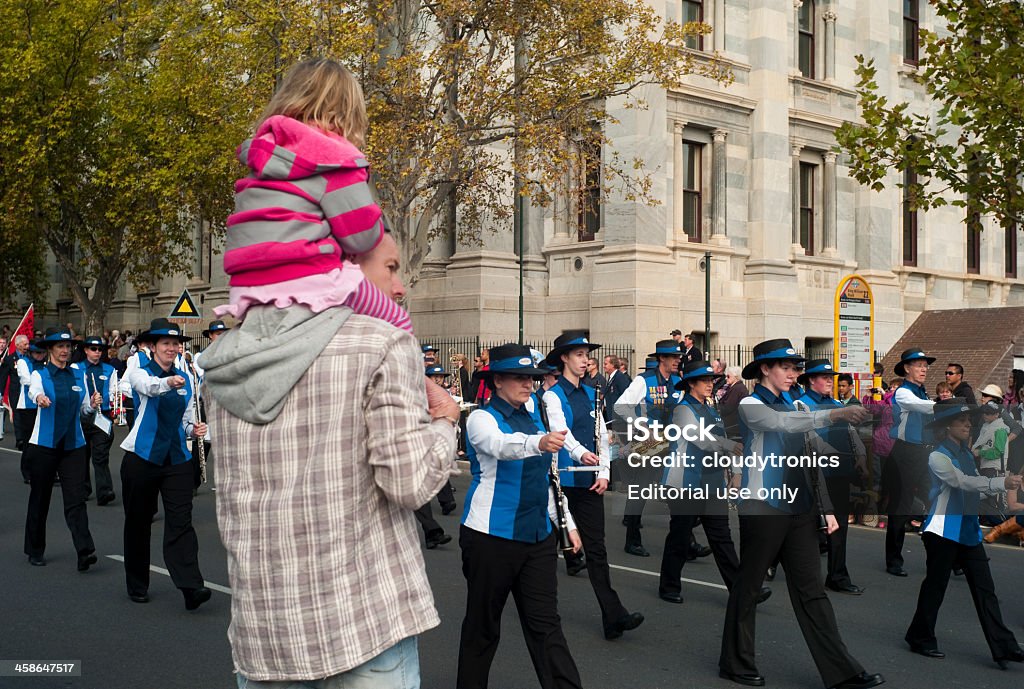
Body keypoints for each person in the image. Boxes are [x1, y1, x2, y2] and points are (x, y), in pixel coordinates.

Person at [719, 339, 883, 689]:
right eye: (786, 367)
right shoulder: (751, 404)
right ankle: (735, 662)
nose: (793, 374)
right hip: (762, 506)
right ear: (765, 369)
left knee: (813, 592)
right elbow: (786, 425)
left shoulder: (793, 402)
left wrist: (830, 499)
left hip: (799, 508)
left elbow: (811, 452)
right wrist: (836, 413)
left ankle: (842, 672)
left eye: (796, 368)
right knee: (748, 586)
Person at [215, 57, 412, 334]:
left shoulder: (266, 157)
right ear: (349, 113)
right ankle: (424, 380)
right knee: (397, 320)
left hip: (247, 286)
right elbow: (362, 237)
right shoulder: (336, 159)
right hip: (307, 279)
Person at [458, 342, 584, 689]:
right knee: (483, 628)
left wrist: (566, 523)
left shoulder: (535, 416)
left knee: (546, 626)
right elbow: (499, 445)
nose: (529, 384)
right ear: (497, 380)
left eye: (532, 378)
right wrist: (538, 444)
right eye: (519, 377)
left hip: (537, 537)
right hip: (490, 537)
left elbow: (548, 478)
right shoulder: (482, 418)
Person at [905, 399, 1024, 669]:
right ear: (947, 427)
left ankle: (1004, 646)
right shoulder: (937, 456)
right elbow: (961, 482)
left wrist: (1002, 490)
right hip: (943, 531)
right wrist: (999, 482)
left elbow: (975, 488)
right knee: (935, 587)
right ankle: (919, 636)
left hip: (967, 529)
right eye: (962, 421)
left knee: (986, 590)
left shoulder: (968, 454)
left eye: (970, 421)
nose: (969, 425)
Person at [542, 331, 645, 641]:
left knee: (597, 551)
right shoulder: (552, 395)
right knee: (545, 553)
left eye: (587, 354)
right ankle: (542, 616)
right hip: (560, 481)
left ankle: (613, 617)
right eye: (579, 354)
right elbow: (562, 432)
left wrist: (603, 470)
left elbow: (602, 434)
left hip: (587, 482)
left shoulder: (592, 393)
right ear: (563, 358)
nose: (586, 359)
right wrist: (579, 453)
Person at [659, 360, 771, 606]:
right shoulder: (682, 410)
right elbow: (702, 440)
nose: (710, 385)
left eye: (712, 381)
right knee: (680, 535)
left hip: (711, 482)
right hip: (685, 482)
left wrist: (736, 470)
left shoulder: (711, 409)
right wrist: (730, 446)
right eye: (705, 381)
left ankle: (741, 589)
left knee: (722, 538)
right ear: (690, 384)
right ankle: (668, 585)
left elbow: (721, 441)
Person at [120, 318, 210, 609]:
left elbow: (184, 420)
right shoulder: (138, 370)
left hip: (177, 460)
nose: (172, 348)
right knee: (138, 523)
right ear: (153, 346)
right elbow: (149, 388)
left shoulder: (188, 378)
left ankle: (191, 587)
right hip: (142, 457)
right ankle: (137, 583)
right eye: (166, 344)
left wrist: (191, 430)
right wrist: (169, 382)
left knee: (181, 523)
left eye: (176, 344)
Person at [23, 327, 102, 570]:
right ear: (50, 349)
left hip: (74, 445)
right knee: (40, 497)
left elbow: (84, 410)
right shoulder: (41, 374)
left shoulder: (79, 375)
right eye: (60, 346)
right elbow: (33, 391)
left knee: (76, 499)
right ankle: (35, 549)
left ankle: (85, 551)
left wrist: (92, 405)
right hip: (44, 445)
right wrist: (39, 399)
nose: (65, 351)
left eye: (68, 347)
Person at [796, 360, 867, 595]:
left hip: (837, 473)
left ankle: (837, 576)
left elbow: (849, 431)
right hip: (811, 474)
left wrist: (859, 455)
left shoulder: (836, 403)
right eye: (823, 377)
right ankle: (773, 562)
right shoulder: (800, 405)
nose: (829, 380)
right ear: (809, 381)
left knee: (839, 528)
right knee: (800, 525)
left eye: (831, 377)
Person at [614, 339, 684, 556]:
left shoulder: (677, 381)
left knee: (678, 489)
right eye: (673, 357)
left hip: (671, 440)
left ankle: (686, 542)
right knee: (641, 489)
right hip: (650, 442)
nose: (677, 361)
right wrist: (640, 424)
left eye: (679, 357)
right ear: (661, 358)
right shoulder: (643, 381)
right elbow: (620, 405)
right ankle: (632, 539)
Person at [885, 349, 938, 577]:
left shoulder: (922, 393)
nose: (924, 369)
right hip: (905, 454)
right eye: (919, 365)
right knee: (901, 507)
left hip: (924, 453)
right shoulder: (903, 393)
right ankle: (894, 560)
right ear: (907, 368)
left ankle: (951, 557)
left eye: (925, 365)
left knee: (937, 501)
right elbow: (923, 407)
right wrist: (949, 405)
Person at [72, 336, 118, 506]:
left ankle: (104, 490)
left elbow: (114, 391)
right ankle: (83, 489)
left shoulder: (110, 369)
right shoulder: (76, 367)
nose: (97, 353)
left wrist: (113, 404)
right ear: (85, 350)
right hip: (82, 416)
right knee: (82, 455)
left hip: (102, 416)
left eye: (99, 350)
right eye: (93, 349)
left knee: (101, 455)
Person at [15, 339, 48, 483]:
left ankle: (46, 471)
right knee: (29, 440)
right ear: (31, 352)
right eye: (36, 352)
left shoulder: (46, 365)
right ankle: (27, 471)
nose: (39, 355)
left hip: (44, 405)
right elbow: (26, 380)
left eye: (42, 353)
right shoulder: (23, 362)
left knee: (45, 440)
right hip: (28, 406)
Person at [718, 365, 748, 439]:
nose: (726, 378)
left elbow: (728, 408)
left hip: (732, 426)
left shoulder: (737, 388)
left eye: (728, 376)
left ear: (736, 377)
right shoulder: (737, 387)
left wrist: (717, 407)